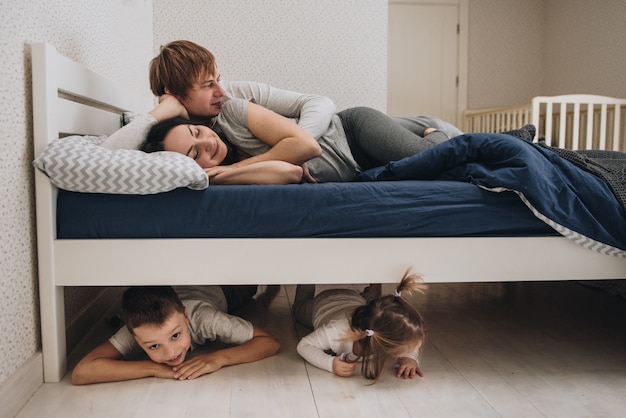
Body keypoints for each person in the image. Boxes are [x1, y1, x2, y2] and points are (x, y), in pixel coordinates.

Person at [71, 285, 280, 385]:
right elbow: (82, 372)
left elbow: (269, 342)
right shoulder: (138, 331)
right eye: (153, 346)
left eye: (175, 335)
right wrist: (153, 368)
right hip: (174, 289)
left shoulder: (204, 319)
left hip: (220, 290)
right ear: (135, 339)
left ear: (186, 318)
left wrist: (218, 358)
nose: (170, 352)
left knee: (250, 285)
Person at [292, 271, 427, 381]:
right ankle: (306, 277)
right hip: (323, 304)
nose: (414, 350)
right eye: (410, 349)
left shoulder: (379, 331)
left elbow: (411, 341)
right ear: (384, 343)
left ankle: (368, 293)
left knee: (372, 306)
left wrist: (410, 358)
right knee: (298, 310)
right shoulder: (337, 331)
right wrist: (330, 363)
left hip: (356, 300)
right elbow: (303, 345)